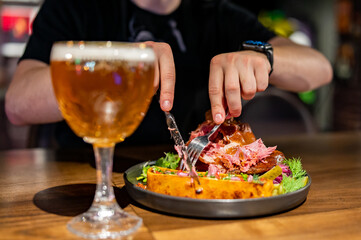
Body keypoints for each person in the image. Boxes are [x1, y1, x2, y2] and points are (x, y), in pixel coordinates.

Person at [5, 0, 332, 147]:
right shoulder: (76, 7)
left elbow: (319, 68)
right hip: (81, 180)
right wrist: (117, 65)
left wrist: (265, 56)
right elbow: (18, 104)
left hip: (187, 183)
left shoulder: (215, 13)